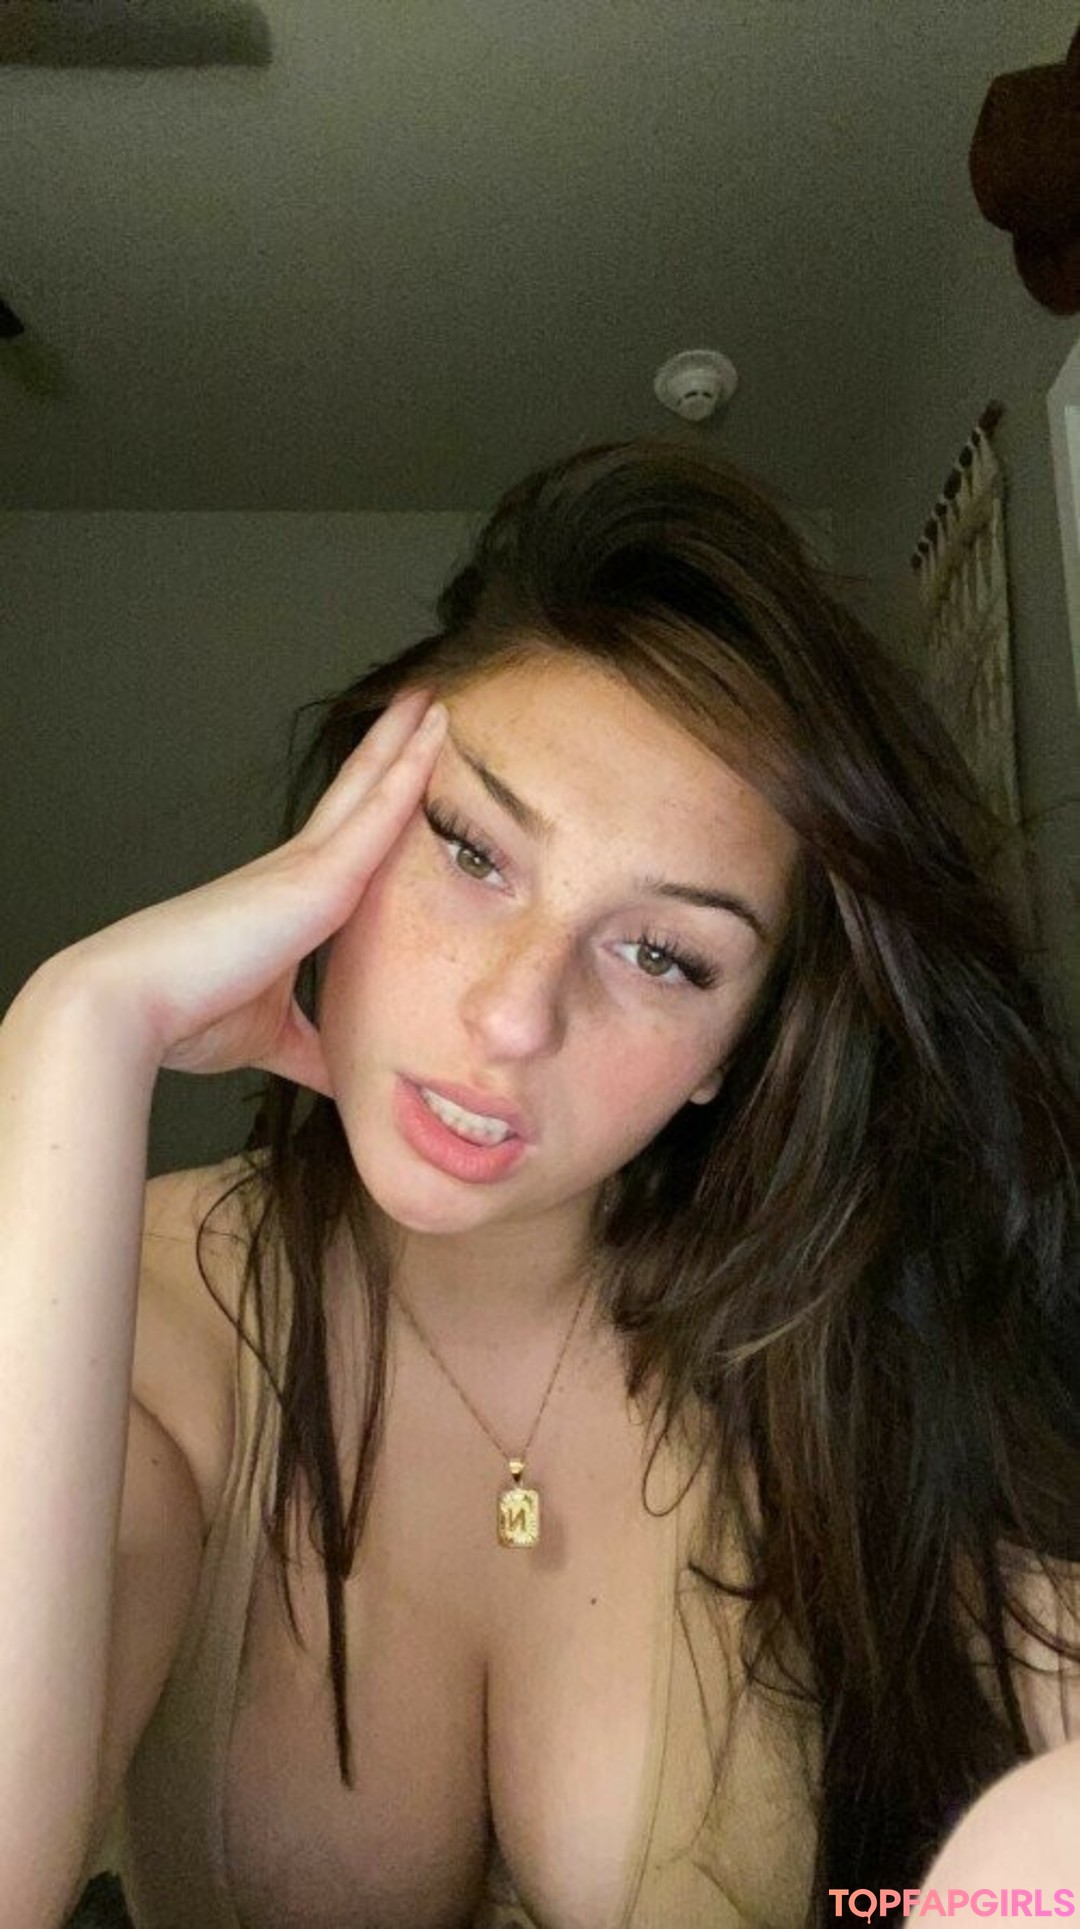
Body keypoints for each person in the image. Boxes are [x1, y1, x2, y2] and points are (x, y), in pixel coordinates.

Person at [2, 436, 1077, 1929]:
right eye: (471, 850)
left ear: (731, 1053)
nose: (514, 1014)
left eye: (663, 954)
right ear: (341, 836)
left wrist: (990, 1890)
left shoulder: (828, 1346)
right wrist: (75, 1030)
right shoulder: (115, 1313)